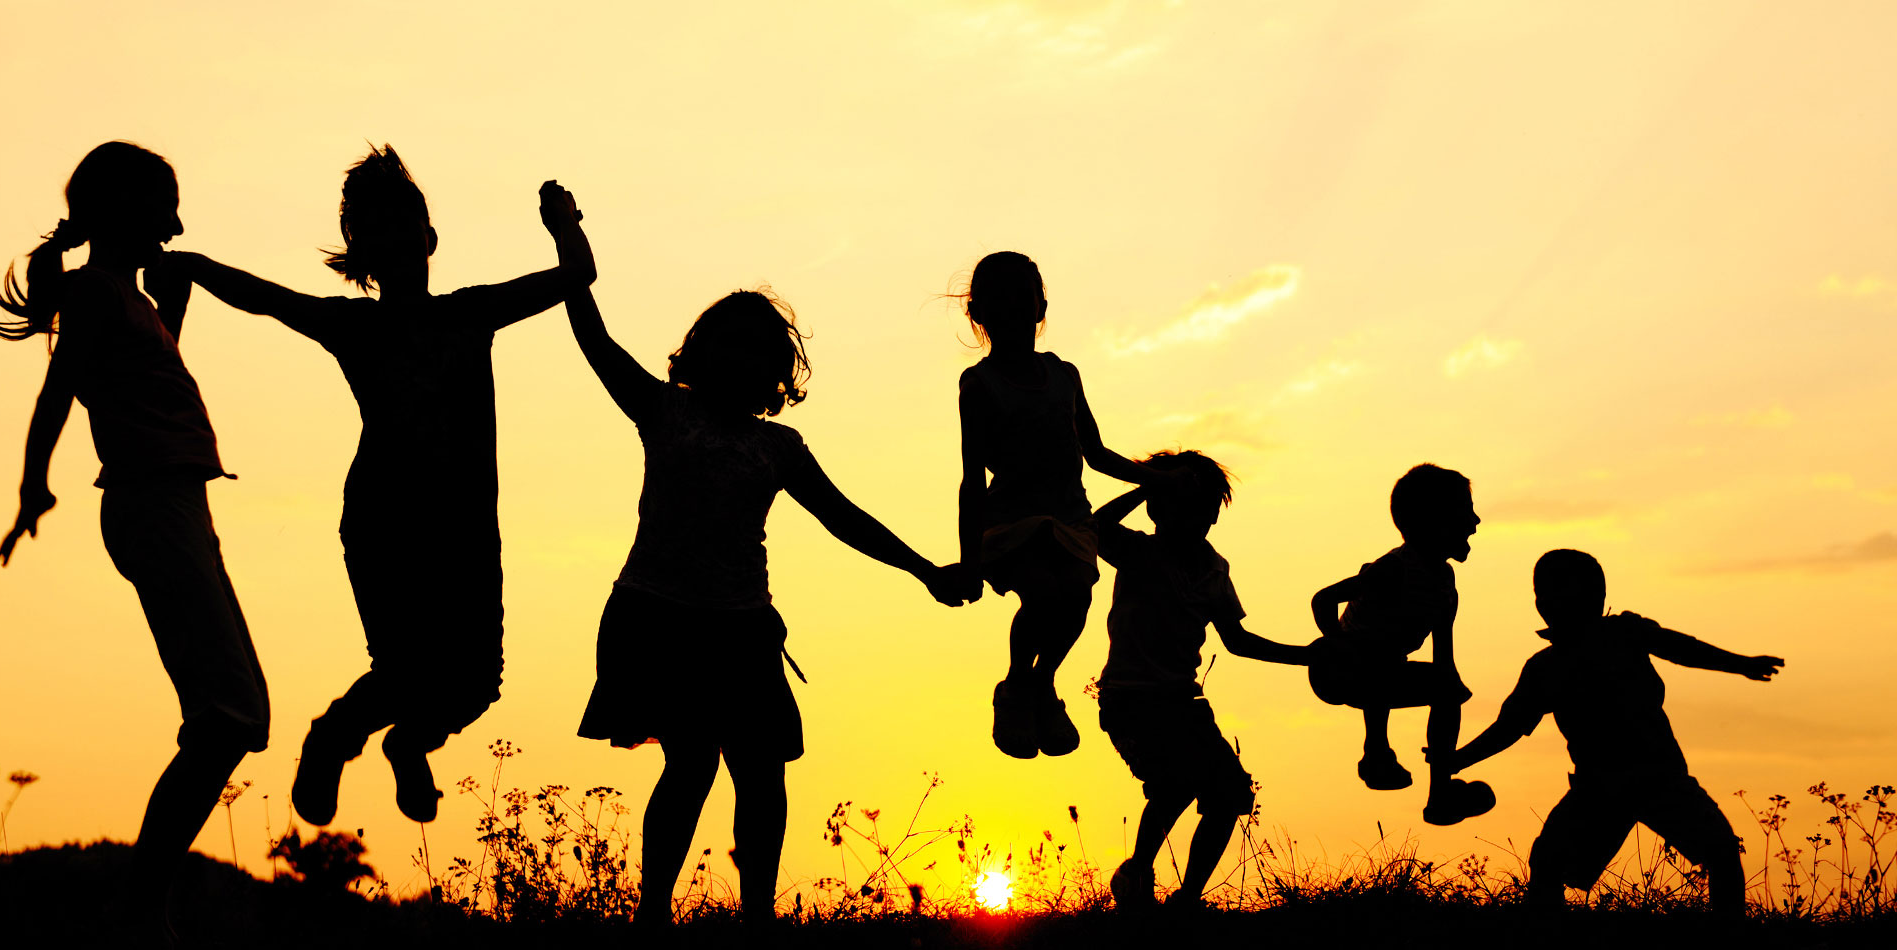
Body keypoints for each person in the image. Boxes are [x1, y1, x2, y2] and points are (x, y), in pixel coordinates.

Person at [556, 193, 968, 928]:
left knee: (763, 772)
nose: (743, 357)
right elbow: (593, 335)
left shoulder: (778, 448)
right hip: (657, 616)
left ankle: (757, 920)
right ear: (699, 351)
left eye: (759, 348)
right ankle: (652, 913)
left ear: (778, 369)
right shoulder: (664, 410)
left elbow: (845, 518)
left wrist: (925, 569)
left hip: (743, 628)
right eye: (729, 342)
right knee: (689, 765)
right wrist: (567, 238)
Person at [166, 145, 592, 824]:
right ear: (359, 251)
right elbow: (265, 298)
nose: (395, 239)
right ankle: (335, 737)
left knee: (476, 682)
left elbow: (578, 274)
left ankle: (407, 744)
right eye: (377, 229)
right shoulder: (352, 325)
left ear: (429, 239)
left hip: (466, 527)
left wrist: (564, 221)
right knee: (401, 669)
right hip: (384, 521)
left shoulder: (469, 313)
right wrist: (193, 266)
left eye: (405, 225)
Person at [0, 141, 268, 936]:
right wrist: (33, 481)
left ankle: (143, 904)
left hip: (175, 506)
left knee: (237, 717)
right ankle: (140, 908)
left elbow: (144, 378)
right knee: (229, 717)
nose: (177, 224)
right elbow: (60, 388)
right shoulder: (101, 298)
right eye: (164, 206)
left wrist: (172, 308)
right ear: (123, 212)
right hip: (151, 508)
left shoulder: (128, 300)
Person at [1441, 548, 1781, 915]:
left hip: (1658, 777)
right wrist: (1459, 758)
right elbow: (1508, 728)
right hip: (1599, 787)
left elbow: (1681, 648)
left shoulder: (1625, 633)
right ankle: (1541, 940)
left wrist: (1740, 664)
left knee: (1720, 850)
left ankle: (1730, 937)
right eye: (1546, 591)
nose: (1553, 600)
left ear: (1596, 596)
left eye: (1568, 590)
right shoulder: (1545, 668)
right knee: (1548, 861)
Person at [953, 251, 1175, 759]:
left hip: (1070, 517)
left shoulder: (1064, 375)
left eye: (1021, 297)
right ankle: (1015, 687)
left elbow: (1095, 453)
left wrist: (1155, 477)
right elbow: (970, 477)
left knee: (1075, 598)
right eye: (998, 299)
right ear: (977, 313)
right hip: (1011, 520)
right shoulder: (979, 384)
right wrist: (969, 561)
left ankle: (1041, 685)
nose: (1011, 308)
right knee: (1045, 593)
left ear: (1041, 305)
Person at [1092, 451, 1316, 911]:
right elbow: (1094, 527)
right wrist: (1148, 483)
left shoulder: (1215, 568)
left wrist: (1306, 656)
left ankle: (1188, 897)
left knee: (1231, 793)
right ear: (1159, 509)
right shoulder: (1139, 552)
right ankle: (1138, 873)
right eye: (1186, 505)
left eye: (1207, 508)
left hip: (1181, 701)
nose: (1200, 518)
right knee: (1173, 784)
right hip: (1130, 701)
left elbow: (1238, 640)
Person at [1307, 463, 1492, 825]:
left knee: (1446, 687)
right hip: (1339, 671)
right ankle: (1376, 750)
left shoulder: (1444, 582)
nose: (1476, 521)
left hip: (1383, 670)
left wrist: (1449, 697)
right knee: (1382, 659)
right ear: (1435, 521)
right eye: (1465, 512)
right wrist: (1337, 644)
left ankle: (1440, 792)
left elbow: (1445, 659)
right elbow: (1324, 600)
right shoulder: (1393, 569)